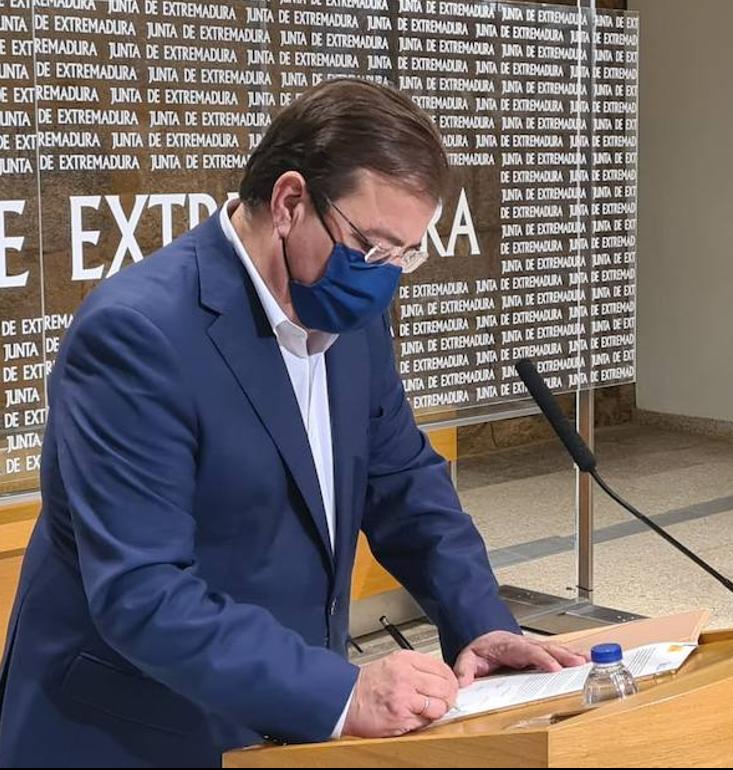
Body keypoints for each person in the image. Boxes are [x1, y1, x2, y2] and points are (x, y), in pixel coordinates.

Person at [0, 78, 584, 767]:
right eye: (371, 248)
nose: (385, 276)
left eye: (405, 255)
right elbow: (143, 592)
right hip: (131, 732)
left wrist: (480, 622)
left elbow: (404, 485)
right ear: (290, 201)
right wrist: (341, 693)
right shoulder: (137, 335)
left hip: (276, 730)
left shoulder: (353, 324)